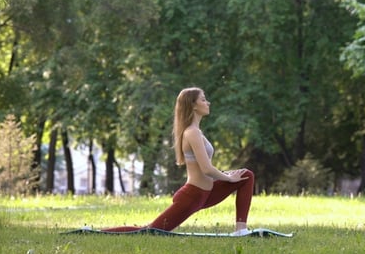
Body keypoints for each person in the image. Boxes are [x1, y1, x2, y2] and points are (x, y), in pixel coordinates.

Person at [101, 87, 255, 235]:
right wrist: (228, 178)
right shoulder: (192, 132)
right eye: (203, 99)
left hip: (207, 194)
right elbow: (206, 169)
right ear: (193, 105)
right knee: (150, 231)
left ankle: (240, 230)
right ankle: (96, 232)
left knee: (246, 175)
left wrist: (229, 176)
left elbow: (208, 170)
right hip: (193, 196)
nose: (208, 103)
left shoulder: (197, 131)